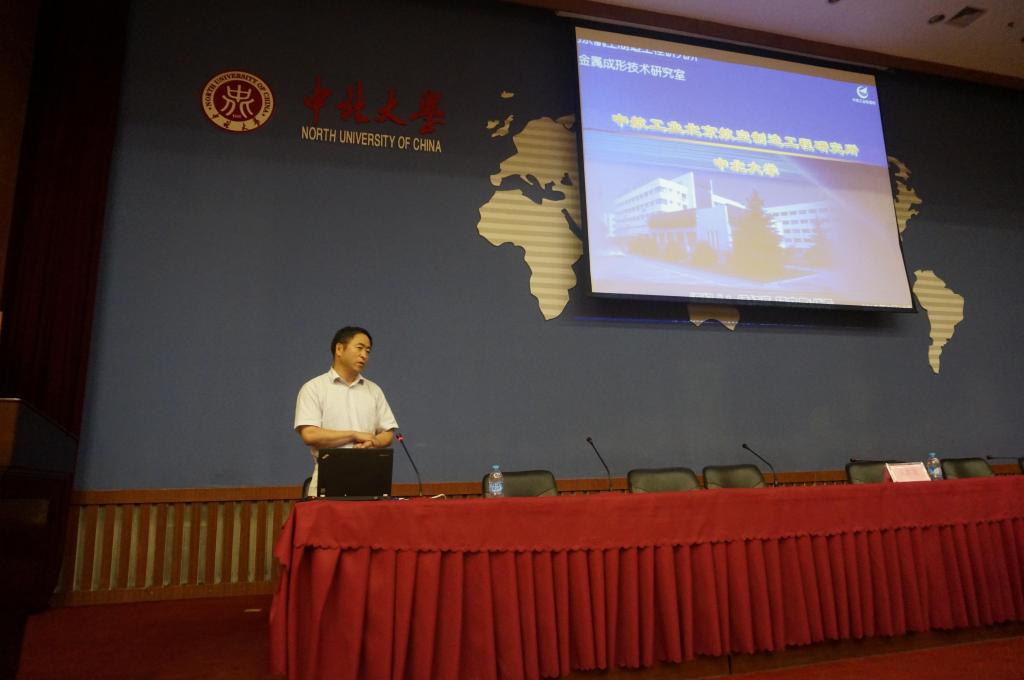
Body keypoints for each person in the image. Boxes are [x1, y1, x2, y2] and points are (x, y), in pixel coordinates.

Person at [294, 326, 398, 496]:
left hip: (370, 477)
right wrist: (353, 435)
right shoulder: (314, 388)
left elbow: (388, 433)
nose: (364, 355)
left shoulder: (374, 390)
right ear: (339, 349)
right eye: (359, 348)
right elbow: (310, 435)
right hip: (328, 478)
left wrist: (373, 442)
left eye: (368, 351)